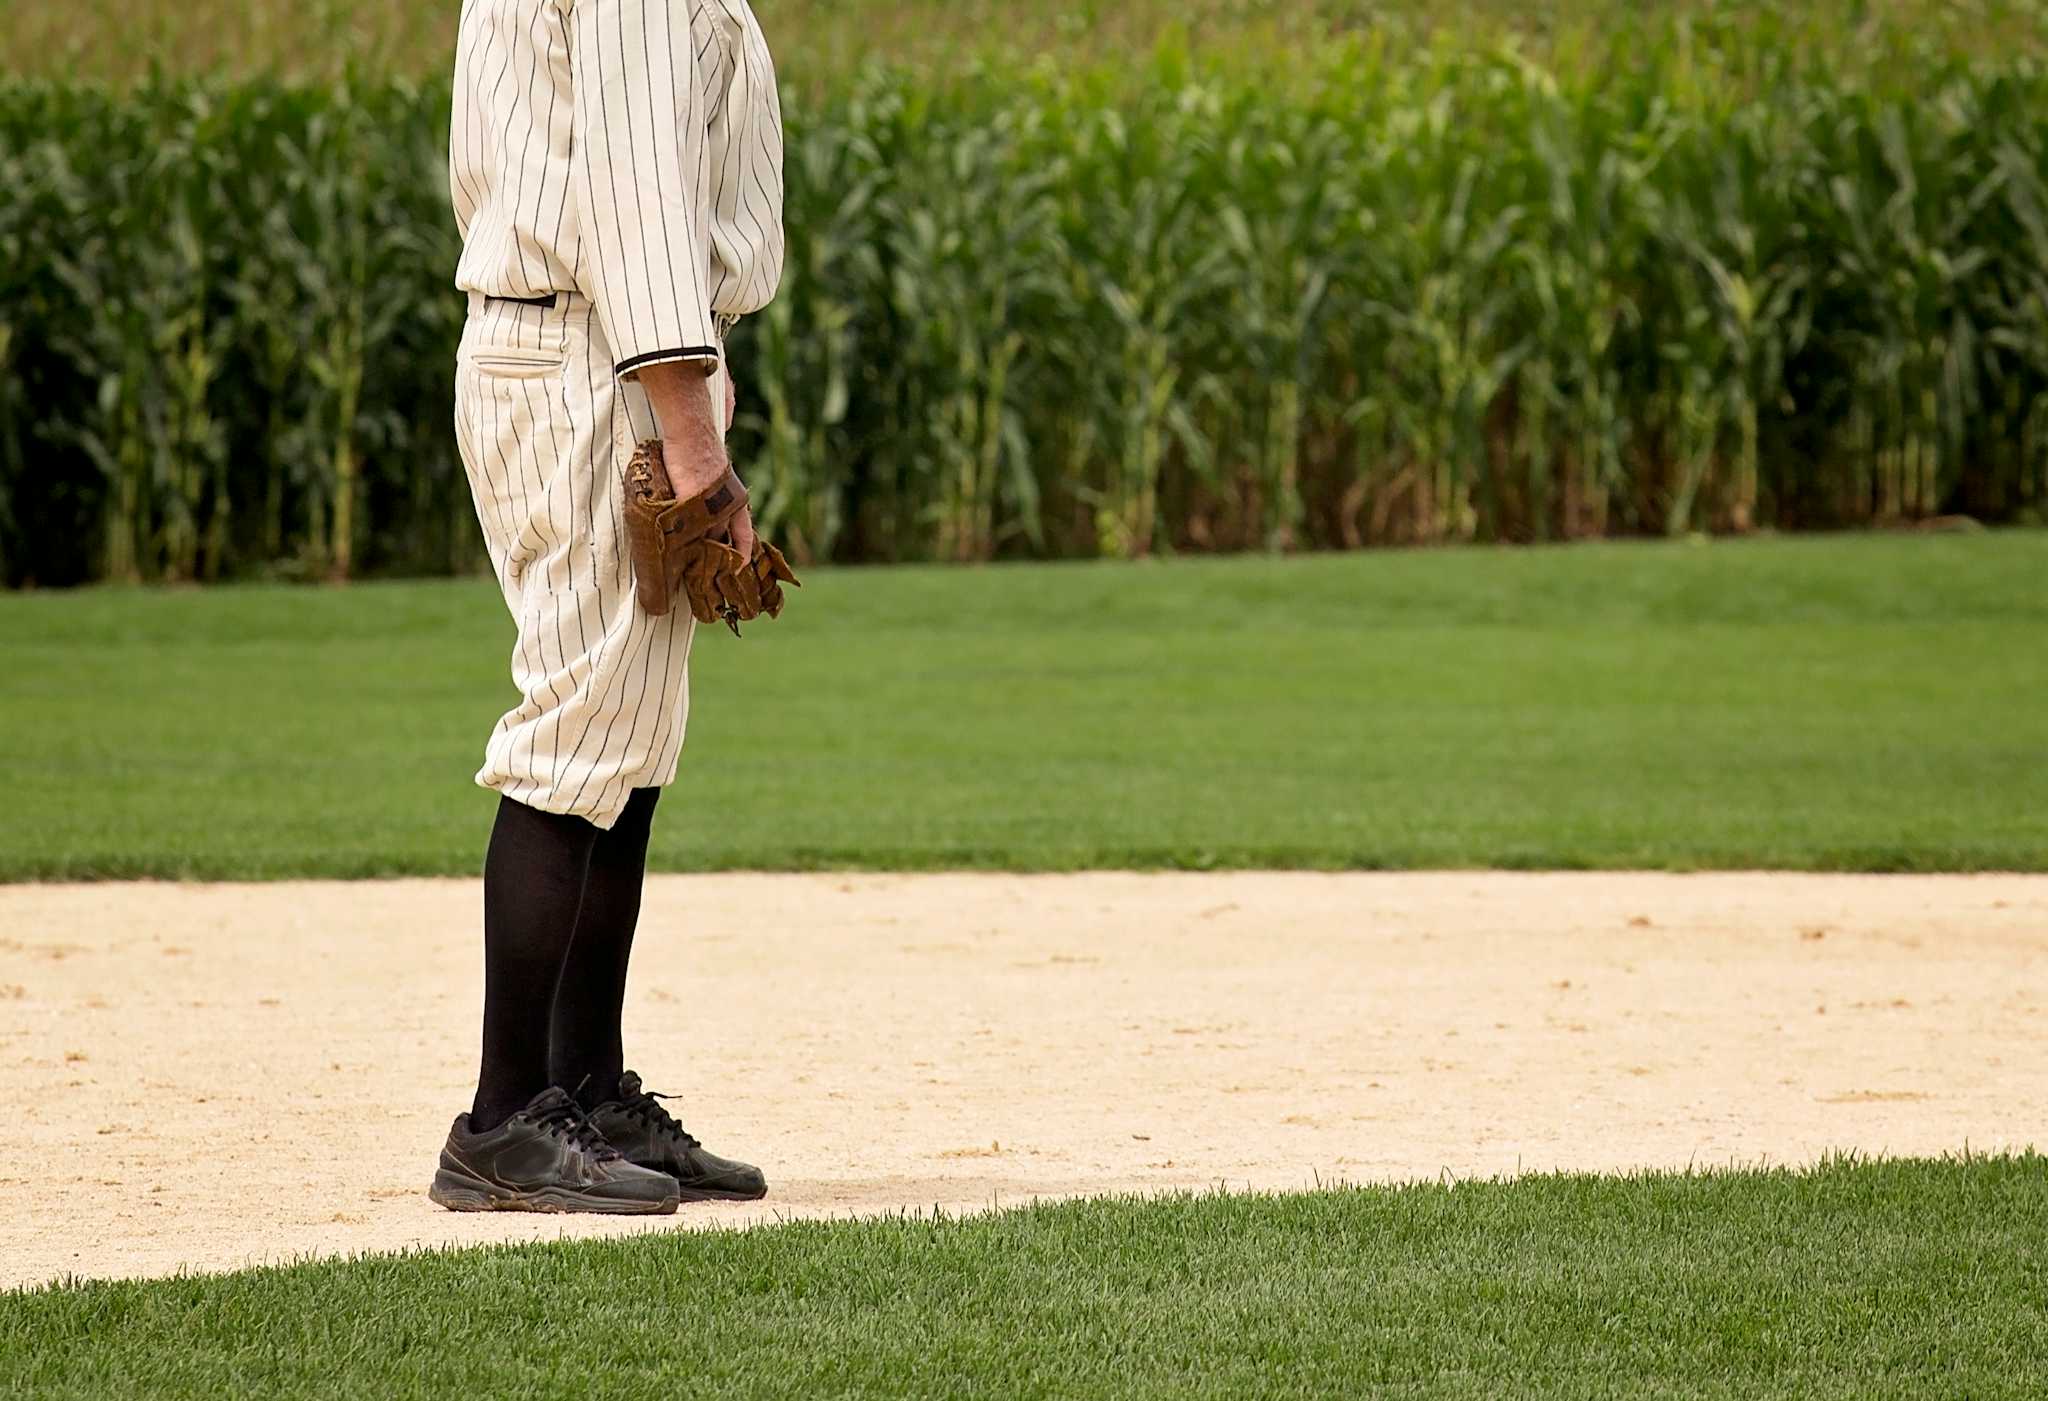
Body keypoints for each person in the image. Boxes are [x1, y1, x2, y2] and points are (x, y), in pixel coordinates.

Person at [428, 0, 785, 1214]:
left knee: (622, 739)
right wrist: (690, 444)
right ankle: (501, 1120)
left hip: (590, 352)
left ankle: (581, 1089)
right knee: (580, 733)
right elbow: (634, 199)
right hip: (597, 363)